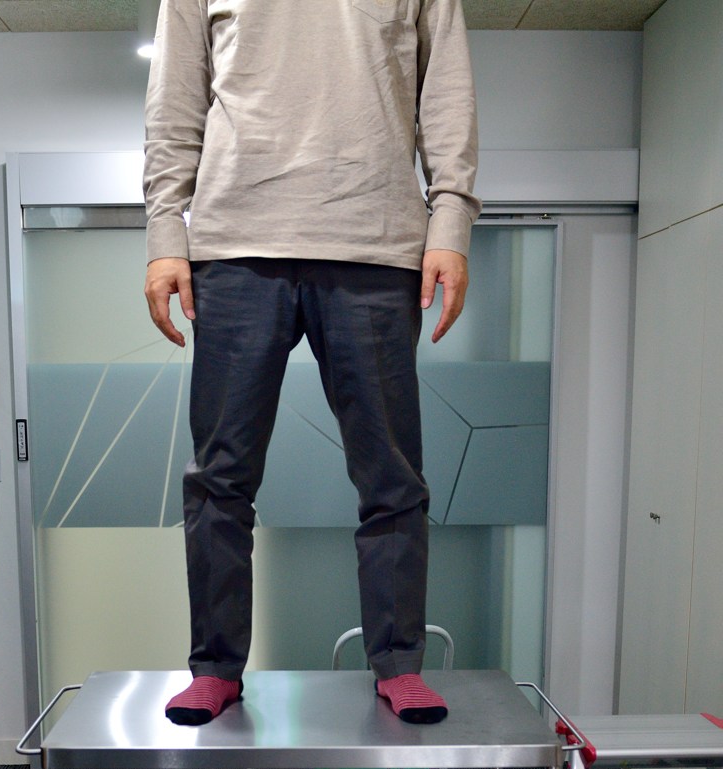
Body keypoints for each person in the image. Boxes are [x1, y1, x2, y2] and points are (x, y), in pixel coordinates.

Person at [143, 0, 480, 726]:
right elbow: (174, 103)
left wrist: (450, 220)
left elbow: (447, 95)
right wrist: (166, 233)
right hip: (236, 243)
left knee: (392, 475)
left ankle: (399, 663)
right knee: (219, 475)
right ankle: (215, 667)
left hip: (375, 241)